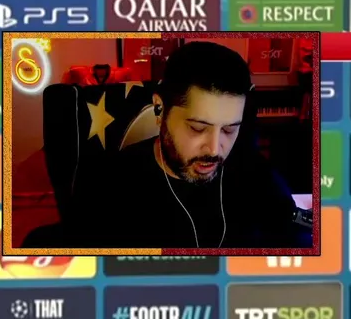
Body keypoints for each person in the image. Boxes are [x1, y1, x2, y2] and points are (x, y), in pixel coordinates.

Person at [68, 41, 307, 250]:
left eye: (229, 130)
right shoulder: (105, 186)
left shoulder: (255, 173)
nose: (214, 149)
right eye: (197, 128)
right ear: (159, 109)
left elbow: (298, 228)